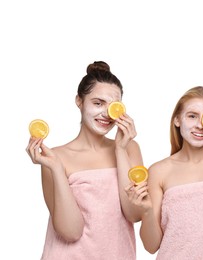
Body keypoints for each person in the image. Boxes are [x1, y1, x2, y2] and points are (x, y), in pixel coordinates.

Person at [25, 61, 143, 259]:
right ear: (79, 101)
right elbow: (70, 232)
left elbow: (134, 214)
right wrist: (56, 168)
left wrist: (120, 150)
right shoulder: (55, 157)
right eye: (97, 103)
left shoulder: (130, 148)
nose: (106, 113)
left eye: (113, 106)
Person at [126, 86, 203, 259]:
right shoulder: (159, 171)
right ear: (177, 120)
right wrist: (146, 210)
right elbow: (151, 246)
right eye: (192, 116)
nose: (200, 125)